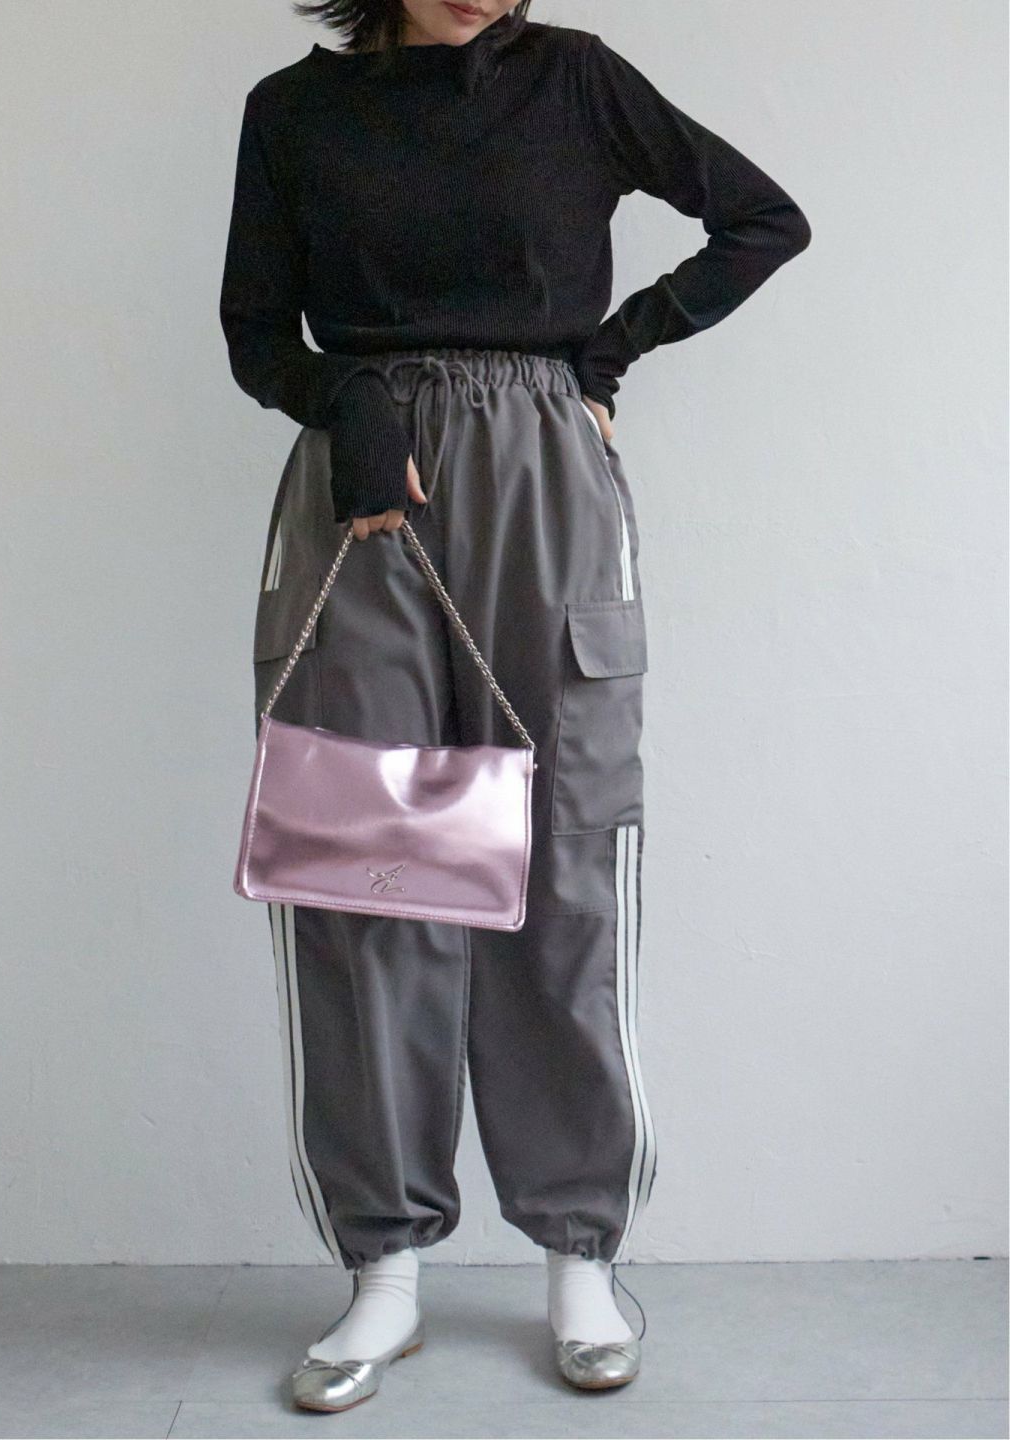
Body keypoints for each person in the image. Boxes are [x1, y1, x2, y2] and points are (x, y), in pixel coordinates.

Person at [219, 0, 810, 1412]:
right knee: (370, 877)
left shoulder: (576, 81)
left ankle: (580, 1257)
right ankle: (384, 1275)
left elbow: (762, 220)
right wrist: (342, 402)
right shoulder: (295, 112)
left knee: (565, 864)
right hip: (366, 499)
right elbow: (253, 331)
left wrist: (603, 358)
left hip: (545, 477)